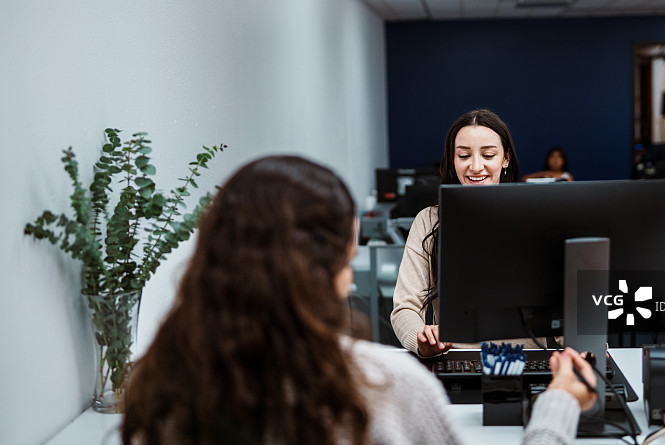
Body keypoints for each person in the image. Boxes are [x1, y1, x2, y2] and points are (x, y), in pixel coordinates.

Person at [121, 155, 596, 445]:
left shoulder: (161, 389)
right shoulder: (383, 388)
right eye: (348, 262)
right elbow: (406, 313)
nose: (350, 283)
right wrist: (559, 405)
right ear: (321, 274)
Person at [391, 109, 523, 358]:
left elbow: (564, 307)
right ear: (453, 160)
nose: (475, 166)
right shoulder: (430, 221)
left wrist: (582, 341)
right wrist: (421, 339)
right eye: (464, 155)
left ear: (505, 159)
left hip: (530, 360)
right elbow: (404, 308)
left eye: (488, 155)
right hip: (457, 359)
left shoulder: (534, 217)